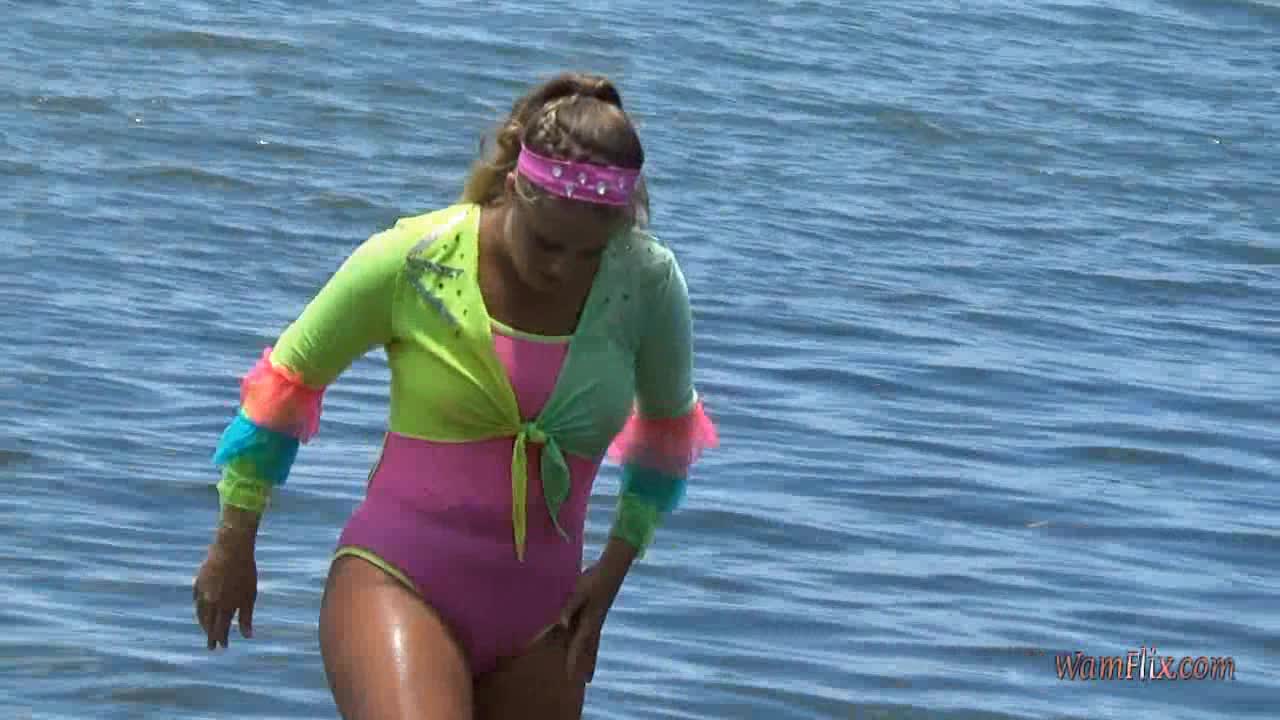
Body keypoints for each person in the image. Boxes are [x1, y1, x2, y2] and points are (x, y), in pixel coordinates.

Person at [191, 71, 719, 720]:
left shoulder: (647, 282)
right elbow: (284, 387)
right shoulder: (416, 259)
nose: (563, 266)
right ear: (515, 187)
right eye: (547, 243)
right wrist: (234, 543)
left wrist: (611, 573)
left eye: (589, 253)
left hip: (545, 617)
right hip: (398, 581)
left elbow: (667, 437)